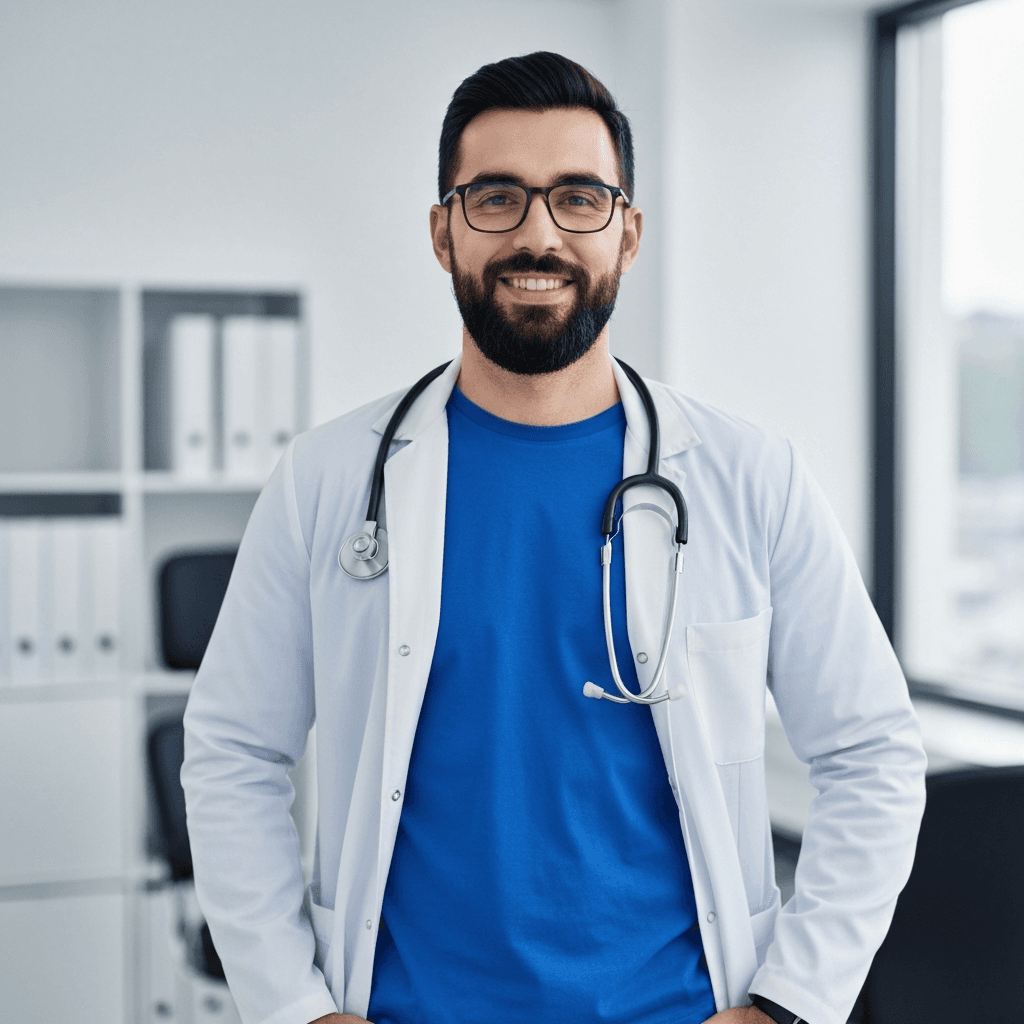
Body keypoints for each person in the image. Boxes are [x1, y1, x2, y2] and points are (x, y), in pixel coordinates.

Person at [181, 51, 927, 1024]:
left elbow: (872, 752)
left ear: (628, 233)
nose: (538, 233)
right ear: (444, 232)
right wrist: (293, 1007)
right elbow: (234, 750)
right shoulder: (325, 480)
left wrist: (788, 1004)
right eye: (496, 197)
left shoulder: (751, 478)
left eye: (578, 197)